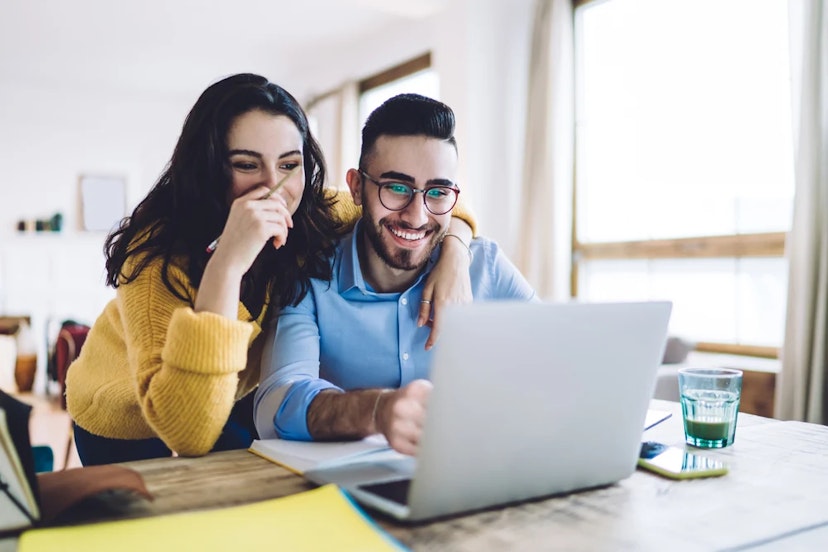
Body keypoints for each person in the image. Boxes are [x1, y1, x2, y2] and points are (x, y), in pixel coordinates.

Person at [65, 74, 477, 465]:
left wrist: (456, 254)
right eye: (246, 164)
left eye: (288, 164)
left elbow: (423, 202)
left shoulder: (316, 211)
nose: (272, 188)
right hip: (126, 411)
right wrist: (228, 262)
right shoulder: (155, 255)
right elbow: (186, 431)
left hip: (227, 392)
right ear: (209, 167)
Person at [255, 93, 537, 456]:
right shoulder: (310, 275)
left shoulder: (485, 268)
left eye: (436, 192)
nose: (417, 216)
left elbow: (559, 364)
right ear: (356, 187)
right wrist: (376, 410)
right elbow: (276, 402)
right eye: (397, 188)